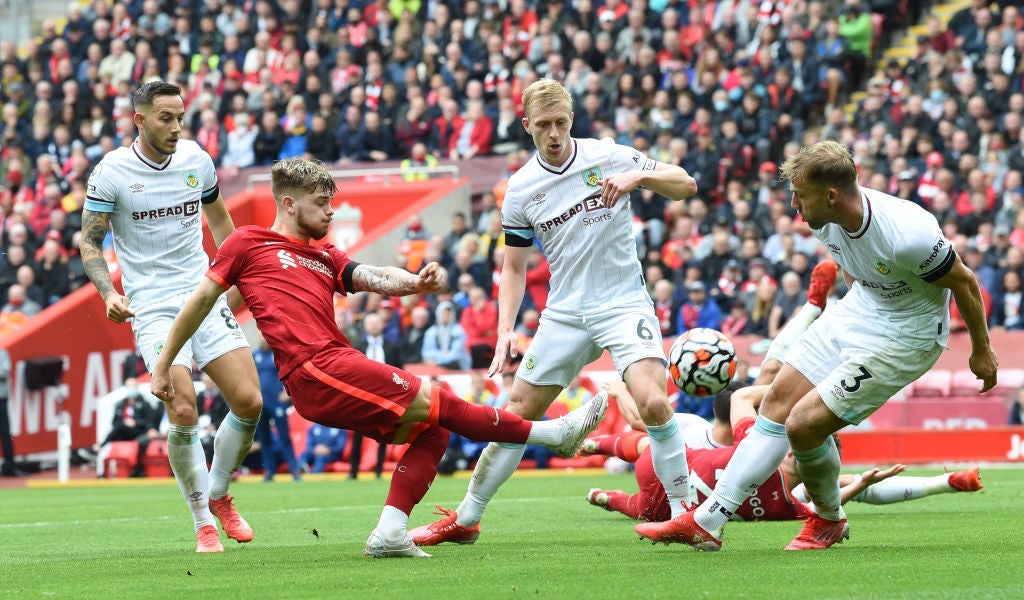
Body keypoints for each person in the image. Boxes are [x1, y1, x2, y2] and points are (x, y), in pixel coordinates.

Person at [148, 157, 608, 558]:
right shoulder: (248, 242)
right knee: (439, 399)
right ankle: (551, 435)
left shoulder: (324, 254)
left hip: (333, 365)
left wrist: (414, 282)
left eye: (331, 201)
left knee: (433, 432)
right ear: (288, 204)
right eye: (320, 202)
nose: (330, 211)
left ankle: (390, 532)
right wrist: (166, 360)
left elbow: (369, 274)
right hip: (314, 368)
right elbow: (202, 300)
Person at [635, 140, 998, 551]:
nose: (793, 204)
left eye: (799, 195)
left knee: (803, 425)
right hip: (861, 309)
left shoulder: (907, 235)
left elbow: (965, 283)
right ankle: (708, 522)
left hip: (906, 335)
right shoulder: (825, 219)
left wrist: (982, 351)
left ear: (830, 195)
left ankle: (827, 520)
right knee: (775, 402)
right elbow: (851, 266)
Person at [410, 78, 698, 547]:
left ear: (571, 120)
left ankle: (688, 515)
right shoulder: (521, 189)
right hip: (564, 312)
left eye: (561, 122)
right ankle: (466, 518)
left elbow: (686, 184)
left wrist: (639, 176)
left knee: (653, 400)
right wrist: (505, 328)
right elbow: (515, 267)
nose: (555, 133)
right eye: (543, 125)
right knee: (516, 413)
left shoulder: (609, 155)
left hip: (623, 301)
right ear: (526, 126)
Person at [80, 81, 263, 553]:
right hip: (152, 304)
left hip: (204, 292)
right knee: (183, 406)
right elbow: (89, 242)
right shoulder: (112, 173)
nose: (177, 126)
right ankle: (203, 520)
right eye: (165, 117)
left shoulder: (196, 160)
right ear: (139, 120)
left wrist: (242, 271)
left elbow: (221, 221)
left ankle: (220, 493)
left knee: (249, 402)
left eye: (180, 116)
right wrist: (108, 292)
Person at [586, 382, 983, 523]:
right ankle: (592, 450)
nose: (792, 450)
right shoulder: (759, 453)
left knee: (640, 490)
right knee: (646, 451)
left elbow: (822, 504)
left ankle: (603, 490)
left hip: (664, 495)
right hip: (668, 486)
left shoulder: (772, 476)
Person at [252, 333, 302, 482]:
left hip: (277, 401)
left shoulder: (279, 354)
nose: (264, 339)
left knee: (284, 436)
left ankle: (294, 469)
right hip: (261, 402)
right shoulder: (254, 356)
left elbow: (291, 372)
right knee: (264, 438)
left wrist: (288, 393)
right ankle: (269, 470)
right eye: (261, 336)